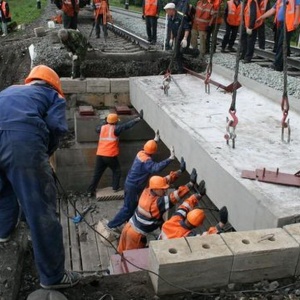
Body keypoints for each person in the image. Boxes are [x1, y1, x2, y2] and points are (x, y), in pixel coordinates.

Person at [0, 65, 81, 289]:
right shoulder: (53, 95)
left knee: (3, 189)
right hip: (22, 141)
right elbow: (55, 126)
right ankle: (53, 277)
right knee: (41, 209)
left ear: (31, 81)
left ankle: (3, 231)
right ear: (54, 85)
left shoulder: (10, 91)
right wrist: (44, 154)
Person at [103, 134, 177, 236]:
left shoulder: (141, 153)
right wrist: (170, 159)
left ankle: (129, 224)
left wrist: (155, 140)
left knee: (131, 206)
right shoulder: (147, 161)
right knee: (128, 209)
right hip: (134, 187)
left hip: (130, 184)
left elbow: (148, 147)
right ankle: (111, 225)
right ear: (153, 152)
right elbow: (156, 168)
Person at [117, 169, 205, 254]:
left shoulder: (147, 190)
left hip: (128, 227)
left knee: (121, 251)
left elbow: (163, 181)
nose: (165, 190)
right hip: (135, 236)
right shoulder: (156, 204)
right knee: (133, 258)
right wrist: (190, 185)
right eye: (162, 189)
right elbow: (175, 197)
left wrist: (179, 172)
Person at [87, 111, 143, 198]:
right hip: (110, 155)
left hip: (100, 154)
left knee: (97, 173)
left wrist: (104, 122)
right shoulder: (116, 129)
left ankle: (90, 191)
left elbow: (97, 128)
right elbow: (127, 126)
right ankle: (115, 187)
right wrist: (138, 119)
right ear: (115, 121)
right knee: (117, 170)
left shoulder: (102, 128)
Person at [257, 0, 300, 71]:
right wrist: (262, 17)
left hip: (288, 24)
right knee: (280, 44)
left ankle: (277, 65)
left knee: (281, 44)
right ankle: (280, 65)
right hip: (280, 24)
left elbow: (298, 7)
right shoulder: (280, 1)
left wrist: (296, 21)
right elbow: (272, 10)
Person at [160, 194, 229, 239]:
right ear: (198, 225)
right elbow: (205, 238)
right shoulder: (187, 236)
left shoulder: (175, 219)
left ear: (187, 215)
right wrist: (221, 223)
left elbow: (184, 206)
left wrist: (197, 195)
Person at [164, 2, 192, 73]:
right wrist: (171, 38)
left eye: (167, 10)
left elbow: (187, 28)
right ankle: (180, 70)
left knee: (183, 50)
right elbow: (172, 29)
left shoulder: (181, 17)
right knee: (177, 54)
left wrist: (185, 38)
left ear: (171, 10)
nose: (166, 12)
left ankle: (195, 52)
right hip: (177, 37)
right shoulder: (170, 18)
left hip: (184, 36)